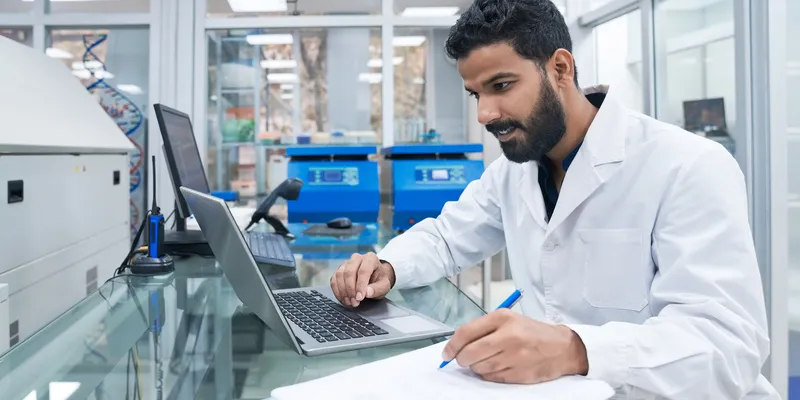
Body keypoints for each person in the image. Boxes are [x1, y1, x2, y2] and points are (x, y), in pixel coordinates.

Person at [329, 0, 777, 398]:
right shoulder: (515, 169)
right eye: (476, 94)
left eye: (501, 85)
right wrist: (386, 267)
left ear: (560, 68)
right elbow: (448, 237)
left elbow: (728, 346)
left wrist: (574, 349)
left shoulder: (688, 165)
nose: (485, 113)